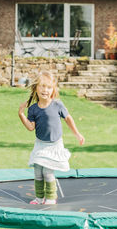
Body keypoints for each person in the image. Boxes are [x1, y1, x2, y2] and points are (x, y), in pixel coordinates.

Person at [18, 71, 85, 205]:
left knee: (48, 173)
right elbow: (31, 127)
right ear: (36, 88)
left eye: (49, 87)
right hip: (40, 145)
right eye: (42, 86)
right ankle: (39, 197)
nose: (45, 90)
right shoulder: (33, 109)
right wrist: (21, 114)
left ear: (53, 90)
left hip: (54, 145)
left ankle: (50, 197)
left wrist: (77, 134)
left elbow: (68, 118)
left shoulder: (57, 104)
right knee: (38, 173)